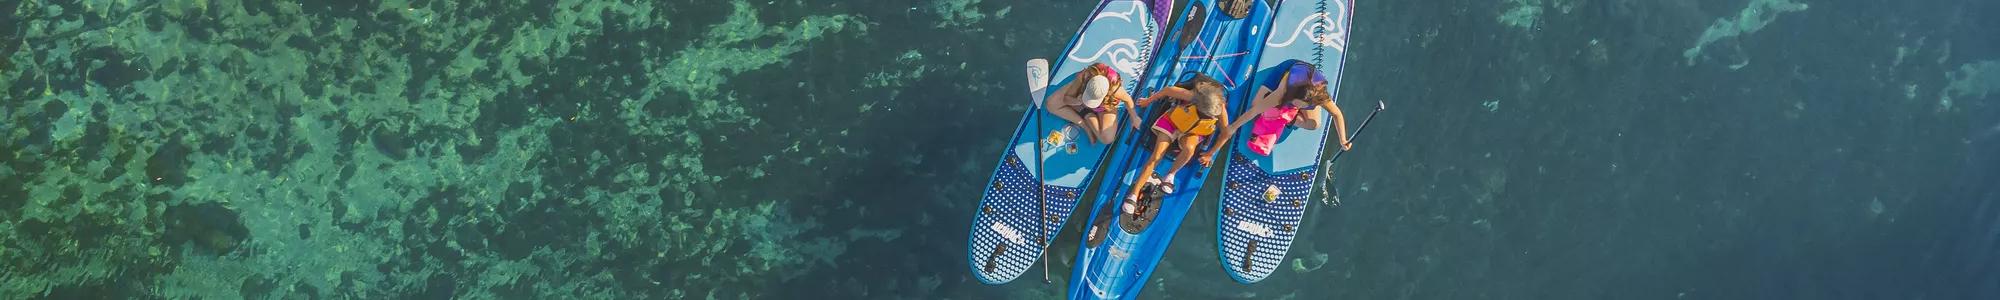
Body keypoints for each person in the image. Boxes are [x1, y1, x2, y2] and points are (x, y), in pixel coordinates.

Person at [1121, 73, 1231, 213]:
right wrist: (1148, 101)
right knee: (1156, 156)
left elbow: (1226, 133)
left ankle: (1171, 174)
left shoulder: (1219, 108)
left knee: (1189, 150)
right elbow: (1167, 90)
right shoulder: (1191, 96)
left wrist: (1210, 153)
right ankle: (1133, 194)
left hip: (1193, 132)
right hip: (1172, 122)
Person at [1215, 60, 1347, 158]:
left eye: (1301, 106)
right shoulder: (1282, 92)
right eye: (1295, 104)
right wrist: (1233, 127)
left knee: (1314, 124)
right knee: (1257, 105)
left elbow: (1337, 114)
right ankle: (1281, 112)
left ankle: (1285, 116)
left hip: (1310, 88)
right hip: (1285, 72)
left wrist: (1343, 139)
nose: (1297, 107)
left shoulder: (1320, 98)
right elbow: (1253, 111)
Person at [1045, 63, 1136, 145]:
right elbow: (1067, 99)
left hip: (1104, 107)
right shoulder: (1084, 76)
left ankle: (1086, 114)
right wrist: (1077, 101)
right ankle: (1085, 124)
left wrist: (1134, 118)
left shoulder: (1114, 89)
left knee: (1107, 139)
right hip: (1080, 101)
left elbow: (1128, 100)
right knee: (1051, 104)